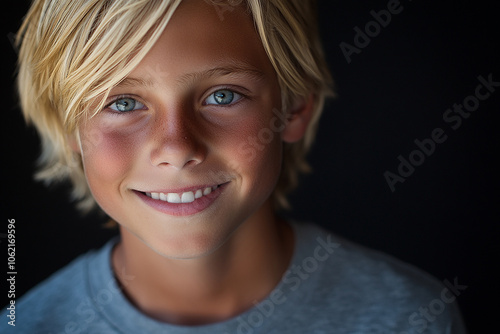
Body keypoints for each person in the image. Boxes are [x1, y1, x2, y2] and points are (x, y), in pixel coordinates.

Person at [2, 0, 467, 333]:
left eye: (222, 96)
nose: (177, 147)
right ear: (67, 127)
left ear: (294, 106)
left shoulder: (407, 316)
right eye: (122, 102)